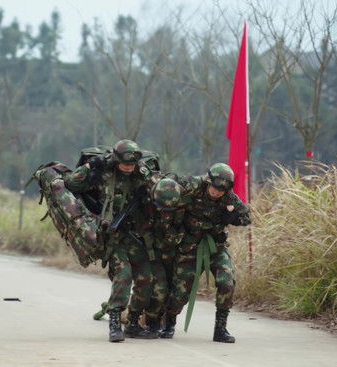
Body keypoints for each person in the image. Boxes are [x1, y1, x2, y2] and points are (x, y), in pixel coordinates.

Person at [65, 139, 155, 342]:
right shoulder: (103, 171)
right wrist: (90, 166)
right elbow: (71, 183)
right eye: (125, 164)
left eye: (132, 164)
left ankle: (132, 321)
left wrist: (147, 189)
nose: (128, 168)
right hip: (111, 235)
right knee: (123, 274)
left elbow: (157, 187)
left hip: (134, 234)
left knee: (147, 277)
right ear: (115, 159)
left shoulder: (141, 172)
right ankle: (115, 322)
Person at [164, 163, 250, 343]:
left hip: (215, 247)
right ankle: (169, 322)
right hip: (190, 246)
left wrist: (233, 218)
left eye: (222, 190)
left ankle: (220, 329)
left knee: (227, 282)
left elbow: (246, 217)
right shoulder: (193, 185)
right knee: (180, 292)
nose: (217, 192)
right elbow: (168, 181)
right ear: (208, 181)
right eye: (215, 187)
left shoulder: (230, 199)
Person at [144, 176, 186, 339]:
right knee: (159, 289)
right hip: (152, 253)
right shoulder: (146, 204)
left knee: (179, 291)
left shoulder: (184, 204)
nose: (165, 213)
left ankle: (169, 321)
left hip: (176, 252)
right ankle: (151, 321)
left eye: (170, 210)